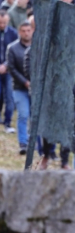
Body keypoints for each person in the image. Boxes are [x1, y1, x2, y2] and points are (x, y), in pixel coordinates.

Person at [7, 21, 32, 154]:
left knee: (35, 117)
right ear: (19, 32)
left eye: (28, 30)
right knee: (23, 114)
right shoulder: (12, 48)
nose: (26, 33)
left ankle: (35, 142)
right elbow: (12, 68)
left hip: (36, 88)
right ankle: (23, 143)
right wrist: (25, 82)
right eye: (23, 31)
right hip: (19, 87)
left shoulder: (37, 47)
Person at [0, 10, 17, 133]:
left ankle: (7, 122)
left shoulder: (12, 33)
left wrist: (6, 65)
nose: (2, 25)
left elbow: (15, 51)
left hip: (8, 69)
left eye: (4, 22)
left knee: (10, 97)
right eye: (0, 23)